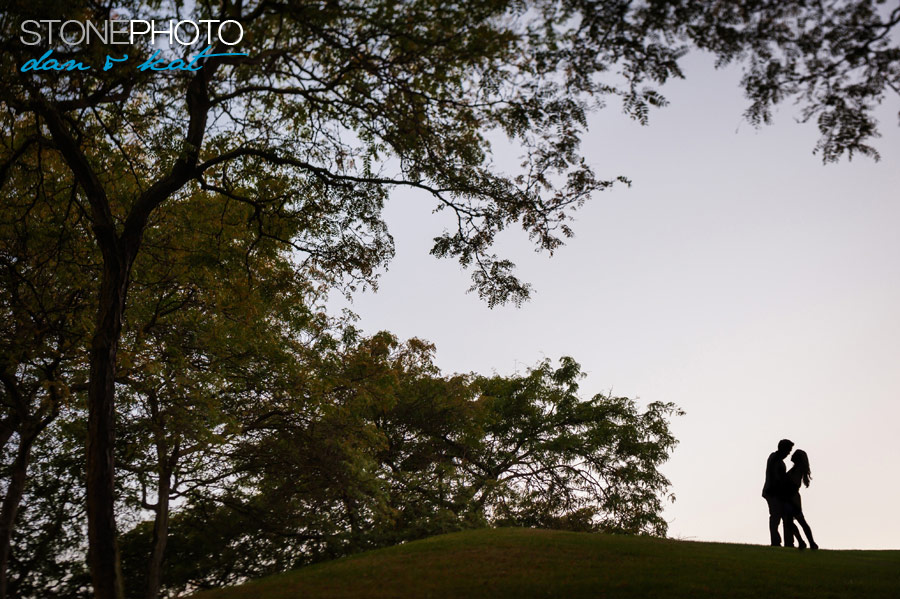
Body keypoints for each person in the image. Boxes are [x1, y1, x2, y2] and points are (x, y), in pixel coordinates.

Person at [781, 449, 818, 550]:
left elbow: (793, 484)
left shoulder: (798, 470)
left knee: (799, 521)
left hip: (791, 499)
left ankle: (808, 542)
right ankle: (804, 542)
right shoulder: (796, 469)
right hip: (791, 498)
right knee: (792, 522)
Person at [762, 439, 794, 546]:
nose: (788, 453)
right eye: (788, 450)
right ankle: (775, 541)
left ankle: (779, 541)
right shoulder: (775, 459)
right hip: (773, 493)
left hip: (775, 493)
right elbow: (774, 476)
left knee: (778, 517)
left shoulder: (778, 460)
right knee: (775, 517)